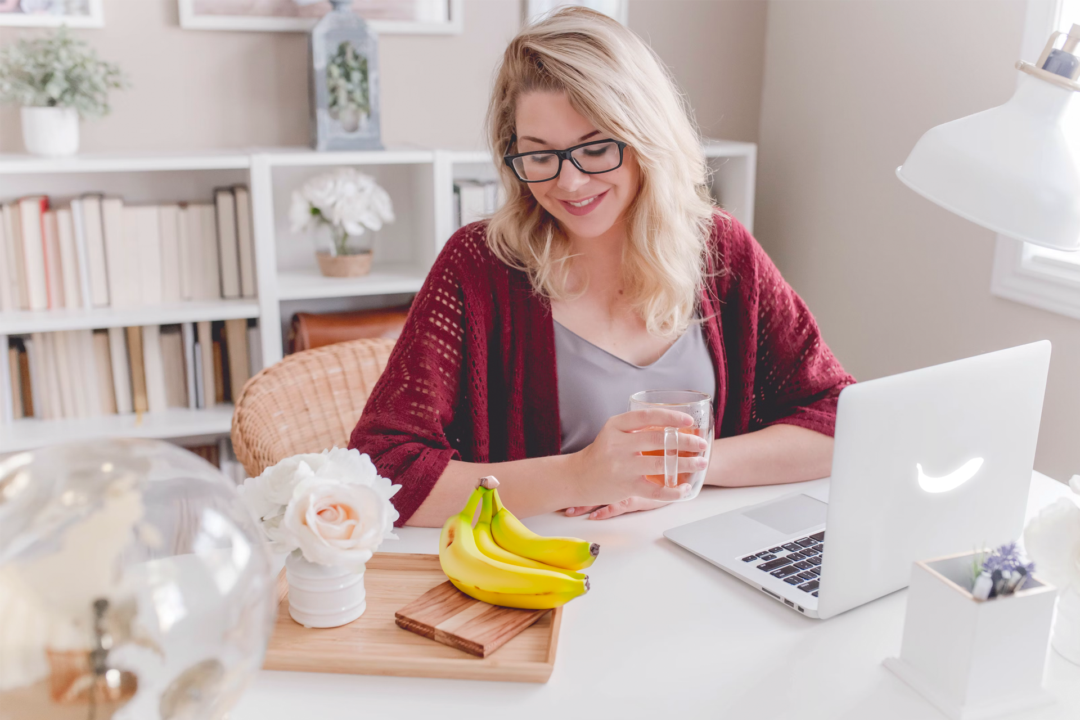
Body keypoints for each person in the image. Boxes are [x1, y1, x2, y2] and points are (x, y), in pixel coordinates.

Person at [349, 7, 855, 527]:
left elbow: (841, 419)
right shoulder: (478, 267)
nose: (569, 183)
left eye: (595, 148)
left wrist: (683, 469)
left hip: (696, 563)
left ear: (645, 138)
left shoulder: (721, 251)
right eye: (539, 154)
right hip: (540, 573)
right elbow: (381, 471)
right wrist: (580, 475)